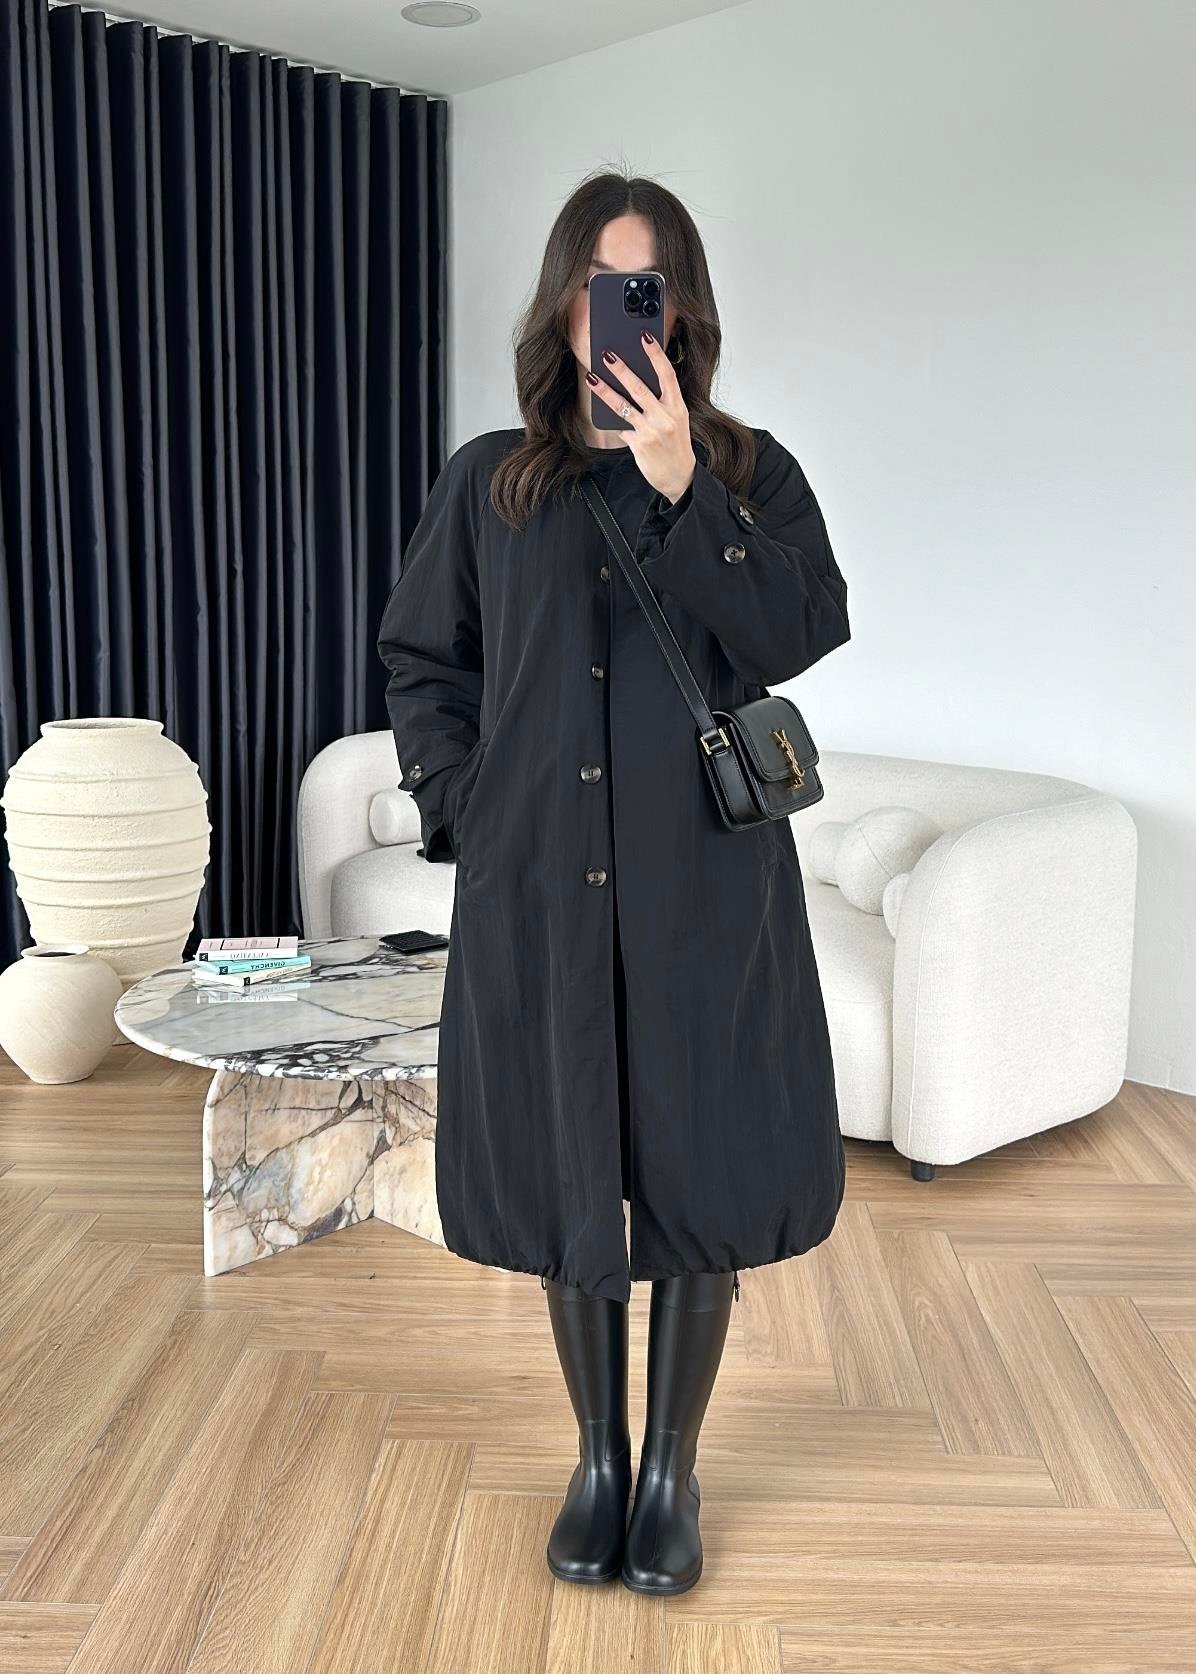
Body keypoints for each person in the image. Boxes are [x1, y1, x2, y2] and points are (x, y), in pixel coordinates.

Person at [377, 169, 850, 1596]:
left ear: (682, 309)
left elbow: (802, 626)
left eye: (643, 288)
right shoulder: (492, 481)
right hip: (540, 889)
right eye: (597, 288)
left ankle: (671, 1469)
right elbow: (423, 661)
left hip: (708, 890)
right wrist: (467, 809)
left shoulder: (747, 472)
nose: (618, 317)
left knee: (703, 1157)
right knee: (565, 1147)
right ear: (564, 306)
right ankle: (596, 1456)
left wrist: (682, 484)